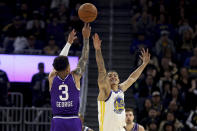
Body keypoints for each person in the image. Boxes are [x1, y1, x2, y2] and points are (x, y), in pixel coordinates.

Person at [92, 33, 150, 131]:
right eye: (110, 76)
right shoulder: (105, 91)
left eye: (115, 75)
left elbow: (132, 78)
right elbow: (101, 69)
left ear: (118, 80)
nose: (113, 77)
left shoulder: (120, 90)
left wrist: (143, 65)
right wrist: (98, 50)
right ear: (106, 79)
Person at [49, 23, 91, 131]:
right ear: (68, 68)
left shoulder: (52, 77)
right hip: (73, 120)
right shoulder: (75, 76)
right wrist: (86, 38)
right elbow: (84, 58)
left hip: (57, 120)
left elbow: (60, 60)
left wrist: (68, 43)